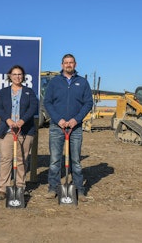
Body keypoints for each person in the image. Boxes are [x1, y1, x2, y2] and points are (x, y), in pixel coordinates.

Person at [43, 54, 93, 202]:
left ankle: (79, 189)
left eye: (71, 63)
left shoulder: (82, 82)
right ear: (62, 65)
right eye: (66, 63)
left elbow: (88, 103)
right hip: (56, 127)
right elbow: (48, 102)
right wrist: (58, 120)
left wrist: (75, 120)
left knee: (76, 160)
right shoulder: (54, 82)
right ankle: (53, 188)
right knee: (54, 159)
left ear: (75, 65)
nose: (68, 65)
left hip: (75, 128)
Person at [0, 65, 38, 200]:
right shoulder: (3, 92)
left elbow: (33, 108)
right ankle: (3, 188)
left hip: (24, 131)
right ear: (10, 76)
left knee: (21, 160)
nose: (17, 76)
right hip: (7, 130)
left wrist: (22, 121)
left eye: (20, 74)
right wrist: (8, 120)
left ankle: (20, 186)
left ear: (23, 76)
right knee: (5, 159)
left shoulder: (29, 92)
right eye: (14, 74)